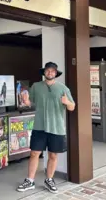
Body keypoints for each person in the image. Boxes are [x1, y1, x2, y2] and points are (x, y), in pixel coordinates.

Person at [17, 62, 75, 194]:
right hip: (39, 126)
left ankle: (49, 180)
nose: (50, 73)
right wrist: (27, 102)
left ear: (56, 73)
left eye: (52, 71)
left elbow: (72, 107)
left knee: (53, 155)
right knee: (34, 153)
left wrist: (67, 103)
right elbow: (30, 103)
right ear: (44, 72)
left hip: (57, 127)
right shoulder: (36, 87)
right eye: (48, 71)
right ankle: (30, 181)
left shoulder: (63, 88)